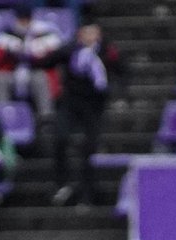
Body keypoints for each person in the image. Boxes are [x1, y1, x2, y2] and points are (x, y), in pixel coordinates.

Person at [46, 19, 123, 206]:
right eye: (86, 33)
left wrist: (117, 93)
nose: (90, 37)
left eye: (93, 33)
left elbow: (121, 71)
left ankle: (88, 193)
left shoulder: (107, 51)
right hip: (70, 102)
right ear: (80, 34)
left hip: (93, 105)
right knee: (60, 137)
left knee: (90, 148)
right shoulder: (71, 50)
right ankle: (62, 183)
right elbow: (47, 61)